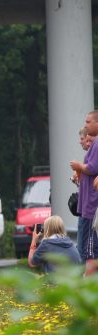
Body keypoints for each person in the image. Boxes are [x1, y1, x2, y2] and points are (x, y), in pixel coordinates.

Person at [70, 110, 98, 260]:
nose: (85, 125)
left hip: (92, 206)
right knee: (88, 248)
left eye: (88, 122)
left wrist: (78, 166)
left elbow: (92, 168)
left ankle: (84, 282)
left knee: (88, 250)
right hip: (88, 206)